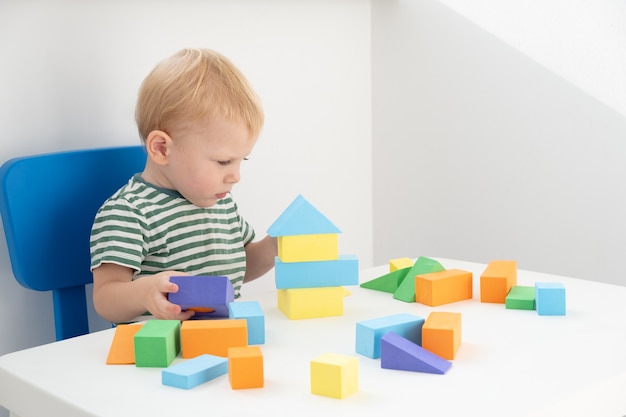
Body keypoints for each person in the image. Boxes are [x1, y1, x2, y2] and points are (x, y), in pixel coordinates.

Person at [90, 48, 277, 324]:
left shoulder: (220, 202)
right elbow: (105, 299)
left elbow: (239, 266)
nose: (235, 176)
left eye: (241, 160)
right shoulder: (129, 213)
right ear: (162, 149)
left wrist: (275, 247)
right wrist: (146, 293)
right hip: (155, 355)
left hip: (218, 341)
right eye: (224, 161)